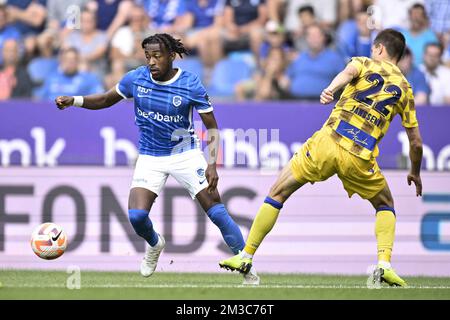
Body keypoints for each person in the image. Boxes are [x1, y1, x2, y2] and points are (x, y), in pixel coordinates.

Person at [219, 29, 423, 287]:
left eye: (374, 49)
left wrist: (330, 89)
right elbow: (415, 142)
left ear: (379, 48)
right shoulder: (405, 88)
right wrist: (415, 172)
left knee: (278, 191)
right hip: (360, 156)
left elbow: (347, 74)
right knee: (385, 205)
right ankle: (384, 264)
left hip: (330, 140)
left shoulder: (363, 62)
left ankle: (246, 256)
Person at [54, 33, 259, 285]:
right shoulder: (136, 78)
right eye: (148, 56)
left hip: (184, 153)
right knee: (137, 217)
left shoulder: (190, 84)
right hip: (150, 156)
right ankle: (154, 244)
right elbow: (107, 99)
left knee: (216, 211)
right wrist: (74, 101)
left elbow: (212, 127)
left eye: (157, 56)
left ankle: (248, 270)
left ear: (171, 56)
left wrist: (212, 163)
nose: (151, 61)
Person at [36, 47, 104, 100]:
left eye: (73, 60)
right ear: (62, 61)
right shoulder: (52, 78)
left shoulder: (89, 79)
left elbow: (99, 98)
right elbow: (39, 98)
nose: (70, 63)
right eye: (67, 59)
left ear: (78, 61)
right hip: (52, 113)